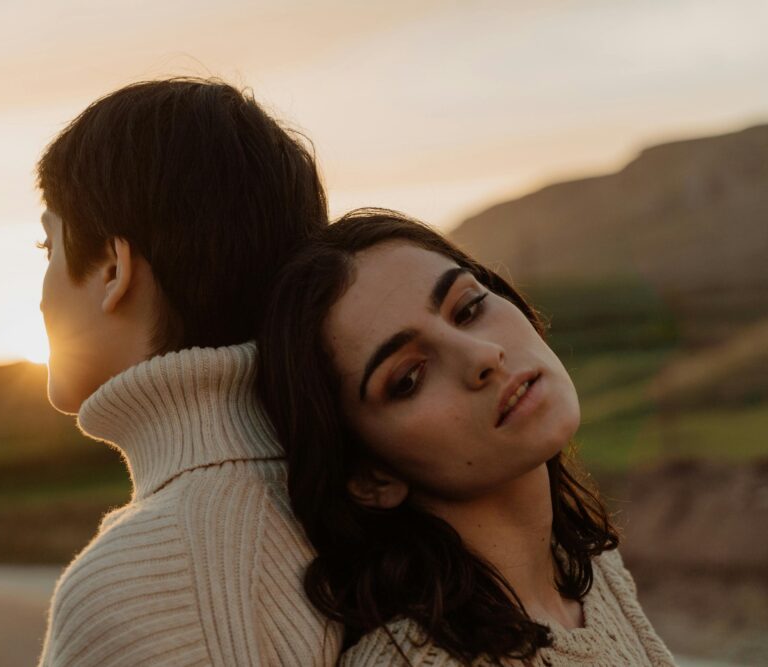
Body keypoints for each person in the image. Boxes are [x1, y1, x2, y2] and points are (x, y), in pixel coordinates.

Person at [256, 209, 677, 666]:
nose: (482, 356)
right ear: (368, 476)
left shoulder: (595, 576)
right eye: (409, 378)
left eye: (469, 309)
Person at [34, 78, 341, 666]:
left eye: (46, 249)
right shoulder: (359, 502)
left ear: (114, 272)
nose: (41, 299)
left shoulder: (126, 587)